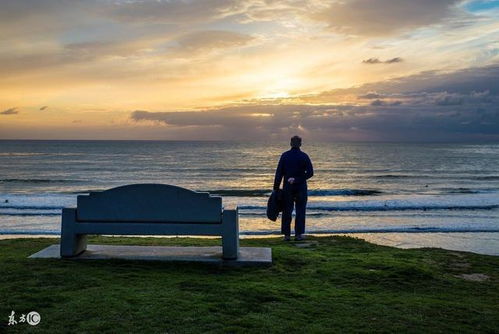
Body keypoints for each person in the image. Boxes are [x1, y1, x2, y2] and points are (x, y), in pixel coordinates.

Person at [273, 135, 314, 241]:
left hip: (288, 188)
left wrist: (276, 188)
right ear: (300, 144)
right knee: (300, 211)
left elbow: (279, 173)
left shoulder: (285, 156)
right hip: (301, 187)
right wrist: (298, 179)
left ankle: (287, 235)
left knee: (287, 211)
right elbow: (310, 173)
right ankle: (298, 235)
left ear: (290, 143)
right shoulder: (304, 156)